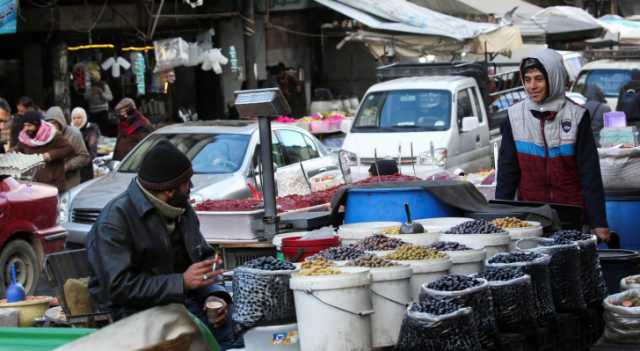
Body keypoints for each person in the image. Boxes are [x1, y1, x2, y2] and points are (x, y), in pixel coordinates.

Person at [86, 140, 242, 350]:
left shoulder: (181, 209)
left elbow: (204, 258)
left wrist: (214, 295)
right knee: (203, 335)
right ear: (169, 191)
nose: (191, 188)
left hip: (181, 304)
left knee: (239, 326)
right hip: (135, 315)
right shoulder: (115, 221)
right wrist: (181, 282)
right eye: (187, 182)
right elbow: (118, 287)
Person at [496, 48, 610, 242]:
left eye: (539, 78)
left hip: (572, 215)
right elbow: (507, 173)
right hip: (530, 217)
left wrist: (598, 221)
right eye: (527, 79)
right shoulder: (514, 117)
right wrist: (499, 218)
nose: (532, 85)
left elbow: (589, 174)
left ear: (554, 78)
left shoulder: (577, 116)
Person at [16, 111, 74, 192]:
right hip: (33, 184)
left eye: (29, 125)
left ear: (37, 125)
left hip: (53, 184)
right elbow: (18, 149)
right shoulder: (24, 137)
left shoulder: (53, 135)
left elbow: (69, 148)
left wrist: (51, 155)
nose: (26, 128)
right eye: (24, 126)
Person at [44, 106, 90, 190]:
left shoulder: (74, 134)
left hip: (70, 179)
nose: (52, 126)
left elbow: (84, 157)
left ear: (60, 122)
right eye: (49, 123)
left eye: (54, 123)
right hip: (51, 179)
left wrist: (67, 166)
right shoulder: (45, 134)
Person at [71, 107, 100, 182]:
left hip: (85, 166)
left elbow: (92, 151)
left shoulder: (90, 130)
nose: (76, 120)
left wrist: (83, 161)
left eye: (79, 118)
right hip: (73, 166)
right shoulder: (70, 130)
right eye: (74, 118)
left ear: (84, 117)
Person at [84, 71, 114, 137]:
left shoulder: (104, 85)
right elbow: (85, 98)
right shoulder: (89, 87)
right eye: (92, 79)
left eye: (94, 79)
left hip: (103, 111)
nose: (94, 81)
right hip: (93, 112)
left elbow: (110, 98)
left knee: (104, 131)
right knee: (93, 132)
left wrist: (101, 93)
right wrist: (91, 93)